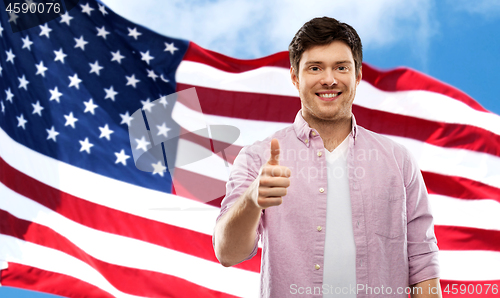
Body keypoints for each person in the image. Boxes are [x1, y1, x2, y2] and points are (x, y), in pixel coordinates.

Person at [213, 16, 441, 298]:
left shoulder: (399, 161)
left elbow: (423, 266)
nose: (329, 79)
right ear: (295, 77)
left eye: (341, 67)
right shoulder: (257, 158)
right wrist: (251, 199)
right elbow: (227, 253)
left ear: (357, 76)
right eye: (315, 67)